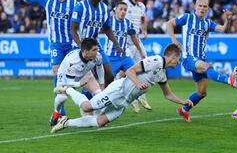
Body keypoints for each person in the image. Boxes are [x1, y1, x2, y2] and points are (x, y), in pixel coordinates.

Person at [51, 43, 192, 133]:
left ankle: (66, 122)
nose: (178, 62)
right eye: (178, 59)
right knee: (88, 107)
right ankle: (67, 89)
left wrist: (183, 102)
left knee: (100, 122)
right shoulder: (155, 61)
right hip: (118, 91)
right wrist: (138, 84)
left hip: (124, 102)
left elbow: (167, 94)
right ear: (173, 57)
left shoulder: (162, 73)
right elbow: (130, 70)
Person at [14, 0, 77, 125]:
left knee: (77, 78)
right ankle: (60, 112)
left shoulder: (74, 4)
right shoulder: (48, 1)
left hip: (71, 46)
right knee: (57, 72)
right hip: (56, 45)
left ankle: (82, 104)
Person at [167, 0, 237, 122]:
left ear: (208, 9)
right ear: (195, 7)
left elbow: (222, 29)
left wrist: (227, 20)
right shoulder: (187, 17)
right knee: (207, 67)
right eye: (200, 6)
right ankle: (229, 79)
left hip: (200, 59)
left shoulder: (208, 23)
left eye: (205, 6)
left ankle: (184, 110)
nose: (202, 8)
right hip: (188, 57)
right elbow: (169, 23)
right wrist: (174, 40)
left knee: (202, 93)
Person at [71, 0, 121, 87]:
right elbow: (73, 29)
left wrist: (116, 43)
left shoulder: (104, 8)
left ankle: (103, 99)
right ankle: (88, 98)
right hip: (80, 45)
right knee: (87, 77)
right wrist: (82, 47)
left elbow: (107, 28)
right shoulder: (80, 6)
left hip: (95, 45)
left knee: (110, 75)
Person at [51, 38, 104, 122]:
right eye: (94, 50)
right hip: (65, 78)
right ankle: (56, 112)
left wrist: (102, 84)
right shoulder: (72, 62)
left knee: (99, 93)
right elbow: (70, 85)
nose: (96, 52)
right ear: (86, 51)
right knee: (62, 98)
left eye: (96, 49)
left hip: (85, 74)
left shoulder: (97, 56)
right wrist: (80, 83)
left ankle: (97, 117)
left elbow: (100, 67)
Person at [123, 0, 151, 112]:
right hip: (125, 43)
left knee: (144, 66)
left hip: (137, 41)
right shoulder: (123, 4)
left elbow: (143, 20)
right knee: (125, 72)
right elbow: (114, 18)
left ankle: (141, 96)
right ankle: (132, 99)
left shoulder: (141, 6)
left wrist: (144, 31)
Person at [104, 1, 145, 81]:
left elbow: (134, 38)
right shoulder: (108, 21)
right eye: (121, 9)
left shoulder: (128, 23)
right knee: (108, 81)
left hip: (124, 57)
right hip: (111, 57)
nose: (123, 12)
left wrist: (141, 51)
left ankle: (128, 90)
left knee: (135, 74)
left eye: (125, 10)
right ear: (115, 10)